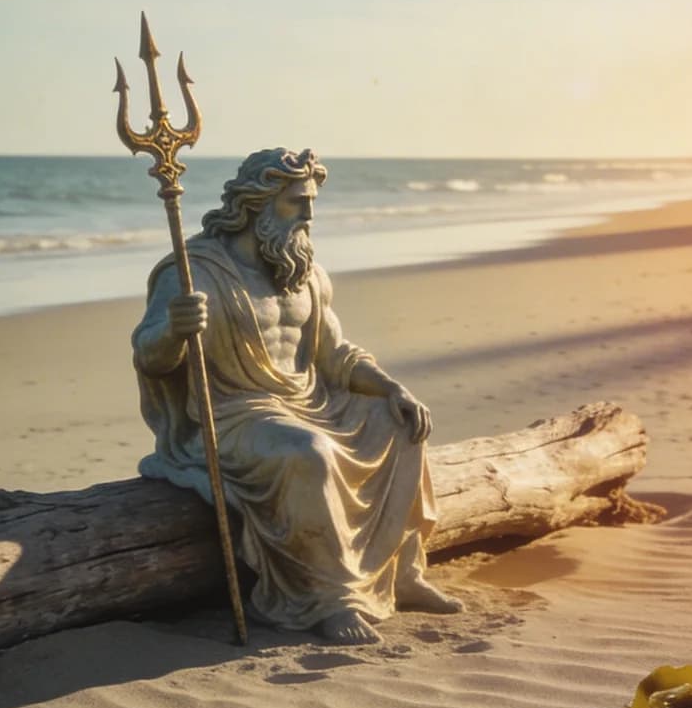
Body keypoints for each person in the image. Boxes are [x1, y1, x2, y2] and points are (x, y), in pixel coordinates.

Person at [132, 147, 461, 645]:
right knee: (307, 453)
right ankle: (332, 597)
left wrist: (391, 387)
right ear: (256, 204)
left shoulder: (303, 270)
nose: (308, 215)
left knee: (401, 421)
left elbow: (334, 356)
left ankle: (404, 571)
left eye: (311, 202)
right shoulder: (193, 272)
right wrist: (176, 331)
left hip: (309, 402)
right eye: (296, 202)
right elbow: (150, 357)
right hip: (236, 413)